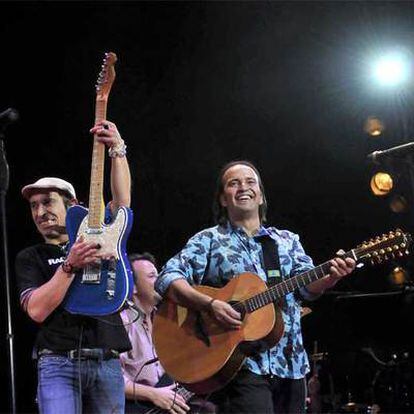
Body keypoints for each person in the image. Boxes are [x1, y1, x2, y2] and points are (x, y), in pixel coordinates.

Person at [154, 160, 356, 414]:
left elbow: (307, 288)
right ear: (223, 199)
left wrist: (331, 276)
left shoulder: (286, 240)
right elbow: (168, 277)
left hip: (290, 362)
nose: (243, 187)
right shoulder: (209, 240)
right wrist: (210, 304)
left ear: (260, 196)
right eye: (233, 183)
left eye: (251, 182)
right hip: (240, 366)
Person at [15, 120, 131, 414]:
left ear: (72, 204)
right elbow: (37, 309)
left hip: (106, 360)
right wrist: (69, 266)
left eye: (48, 202)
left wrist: (117, 149)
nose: (40, 212)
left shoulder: (100, 236)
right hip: (57, 363)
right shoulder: (31, 256)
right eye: (33, 206)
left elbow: (121, 204)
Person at [121, 252, 215, 414]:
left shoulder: (167, 320)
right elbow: (110, 380)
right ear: (133, 286)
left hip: (167, 399)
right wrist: (153, 394)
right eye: (152, 276)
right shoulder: (122, 321)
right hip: (136, 405)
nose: (161, 282)